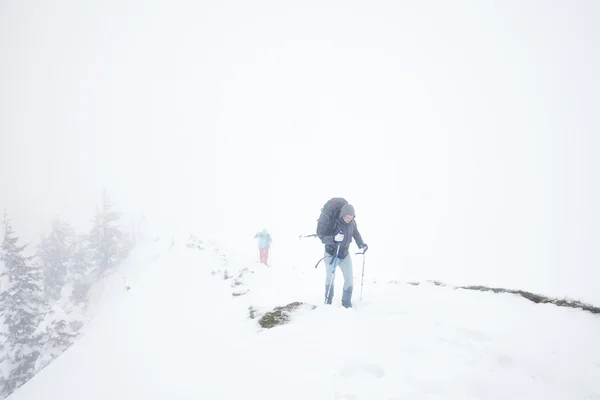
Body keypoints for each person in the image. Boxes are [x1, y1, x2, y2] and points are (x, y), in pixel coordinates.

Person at [318, 202, 367, 308]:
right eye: (347, 217)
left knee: (349, 278)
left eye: (351, 217)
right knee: (330, 278)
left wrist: (361, 244)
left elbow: (356, 233)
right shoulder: (333, 223)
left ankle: (346, 303)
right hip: (331, 254)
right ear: (342, 215)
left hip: (344, 254)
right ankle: (328, 301)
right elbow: (323, 238)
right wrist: (334, 239)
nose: (349, 219)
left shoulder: (352, 223)